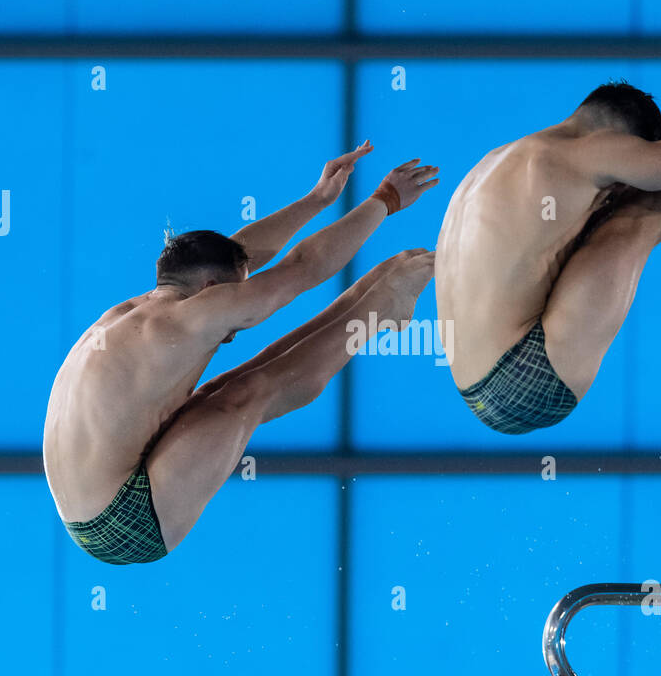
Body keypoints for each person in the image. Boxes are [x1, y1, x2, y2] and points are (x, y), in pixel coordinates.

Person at [43, 142, 439, 563]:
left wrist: (316, 199)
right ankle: (381, 309)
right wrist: (385, 201)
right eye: (239, 291)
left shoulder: (144, 310)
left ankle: (371, 303)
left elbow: (244, 252)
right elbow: (302, 267)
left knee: (228, 386)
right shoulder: (187, 319)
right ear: (212, 292)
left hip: (88, 501)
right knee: (248, 394)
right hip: (123, 523)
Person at [435, 14, 661, 434]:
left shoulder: (502, 159)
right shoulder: (592, 153)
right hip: (529, 378)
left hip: (475, 387)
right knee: (640, 214)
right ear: (620, 136)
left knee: (629, 197)